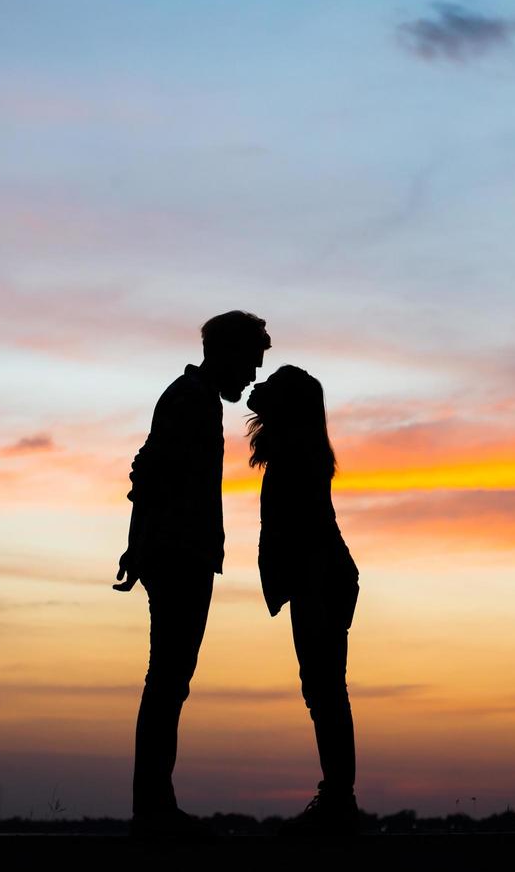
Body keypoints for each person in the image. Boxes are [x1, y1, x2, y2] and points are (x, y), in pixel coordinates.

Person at [113, 310, 271, 838]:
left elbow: (146, 470)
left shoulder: (193, 398)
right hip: (180, 556)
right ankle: (153, 810)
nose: (251, 376)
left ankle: (155, 805)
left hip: (180, 553)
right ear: (226, 353)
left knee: (169, 682)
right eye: (249, 362)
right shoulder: (190, 400)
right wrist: (142, 545)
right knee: (167, 683)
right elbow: (148, 471)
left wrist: (139, 545)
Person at [246, 365, 362, 836]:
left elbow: (254, 401)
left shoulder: (298, 450)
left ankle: (339, 801)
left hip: (319, 580)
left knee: (326, 692)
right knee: (324, 691)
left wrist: (267, 395)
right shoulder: (301, 446)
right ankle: (337, 798)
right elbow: (257, 401)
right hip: (318, 579)